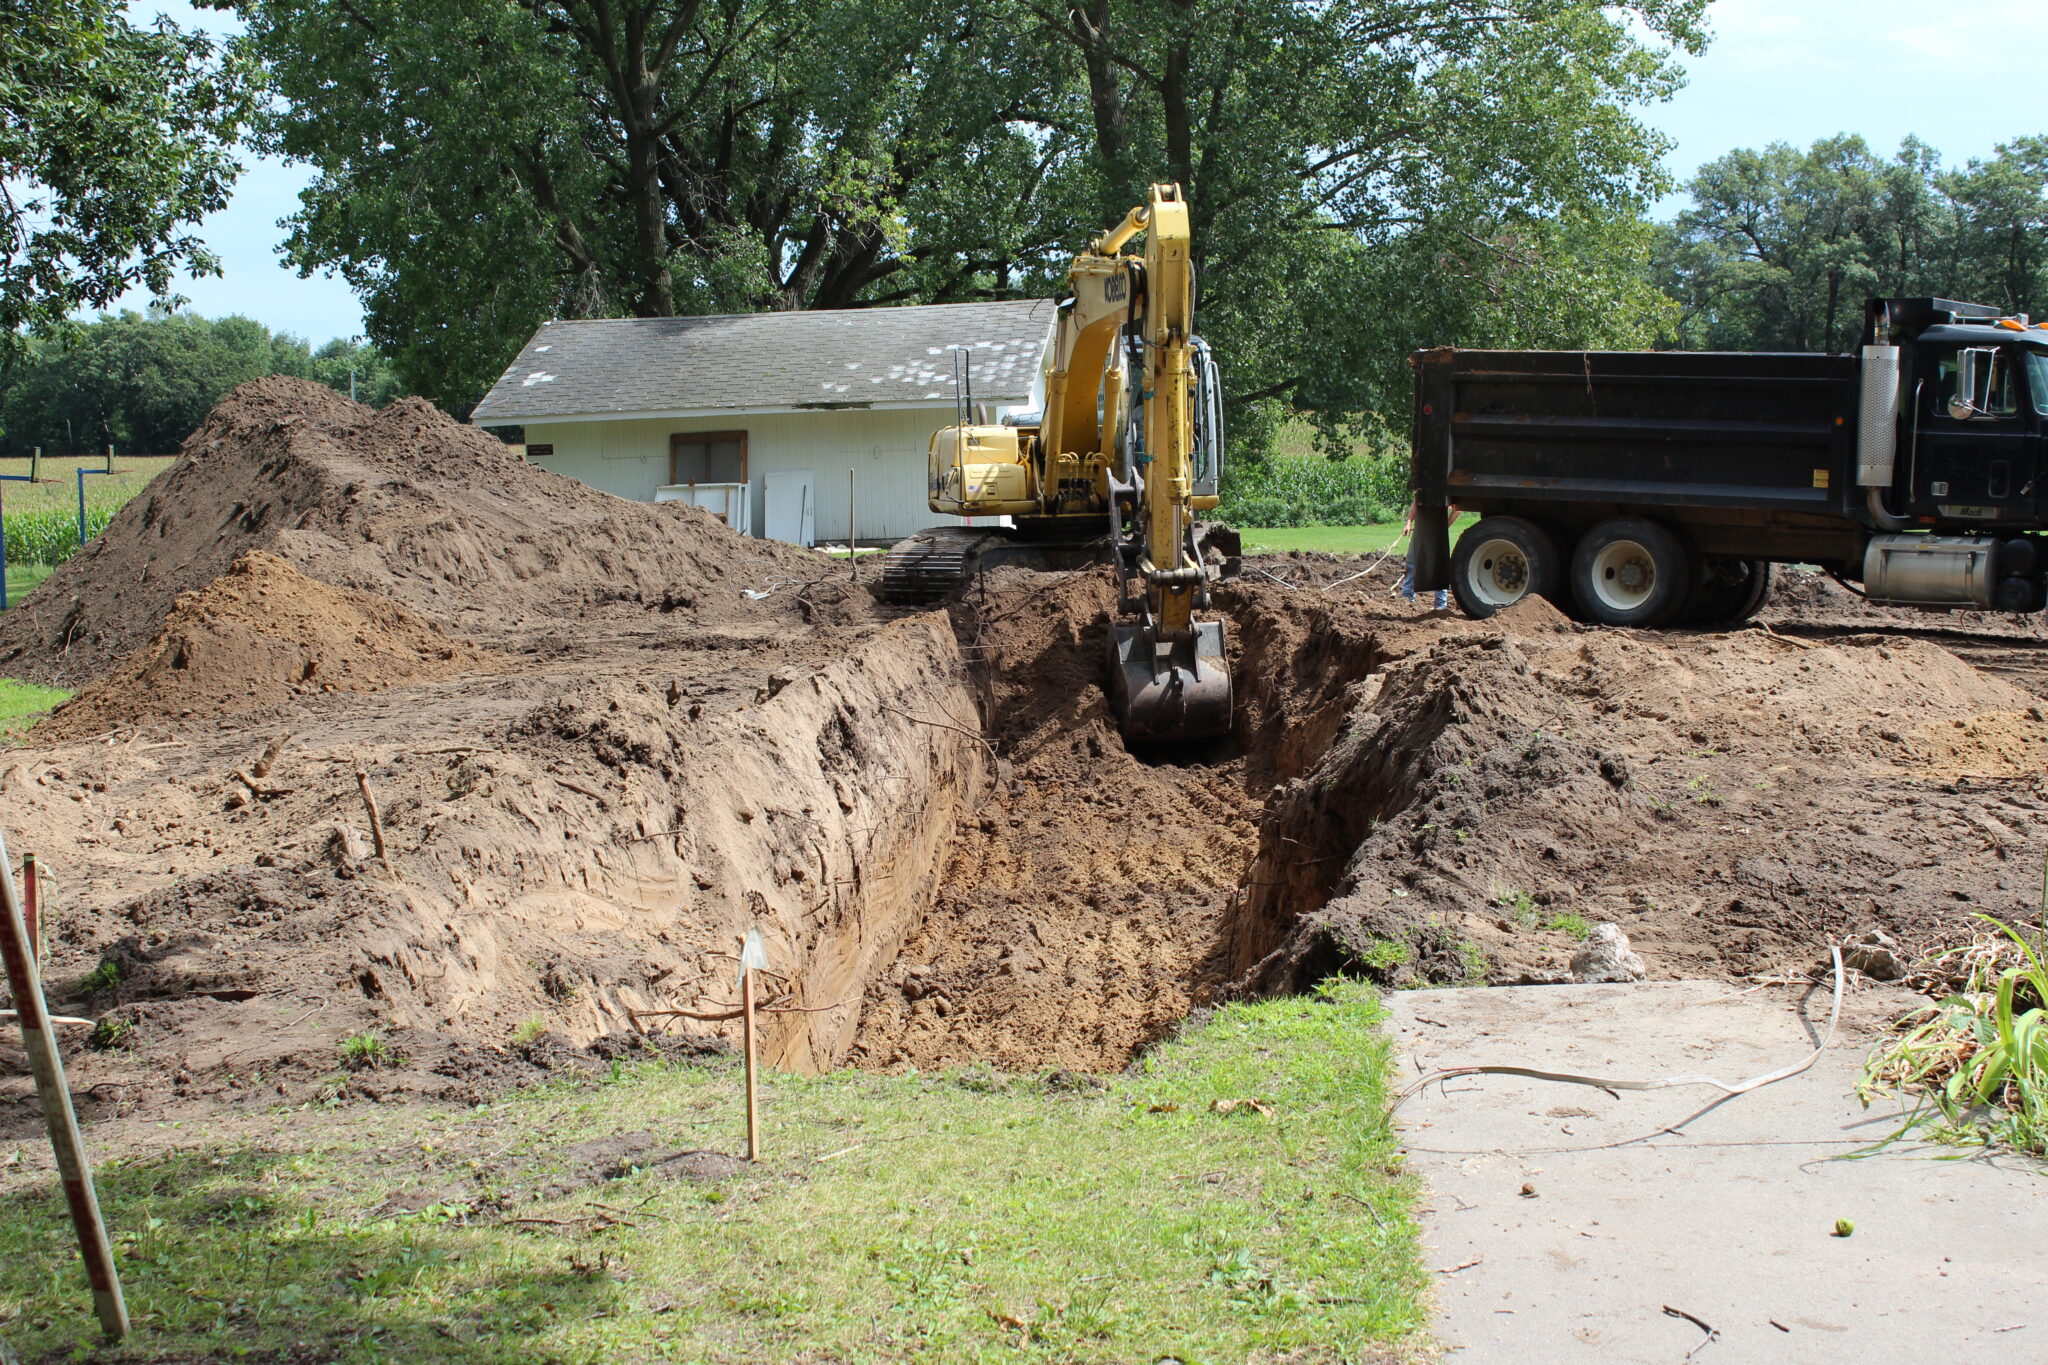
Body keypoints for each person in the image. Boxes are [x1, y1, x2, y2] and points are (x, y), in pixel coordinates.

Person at [1399, 496, 1452, 609]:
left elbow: (1457, 509)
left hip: (1438, 532)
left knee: (1439, 566)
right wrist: (1408, 523)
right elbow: (1415, 503)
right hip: (1420, 529)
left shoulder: (1446, 488)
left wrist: (1445, 526)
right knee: (1412, 562)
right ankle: (1407, 598)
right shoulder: (1422, 486)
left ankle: (1440, 604)